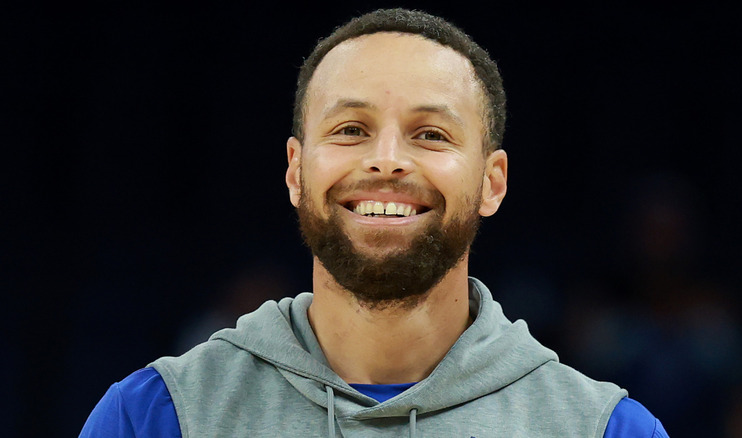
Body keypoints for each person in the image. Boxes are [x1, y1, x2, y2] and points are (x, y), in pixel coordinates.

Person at [80, 8, 669, 437]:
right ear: (295, 171)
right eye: (351, 129)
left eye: (430, 134)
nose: (386, 158)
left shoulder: (604, 429)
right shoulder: (158, 416)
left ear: (492, 182)